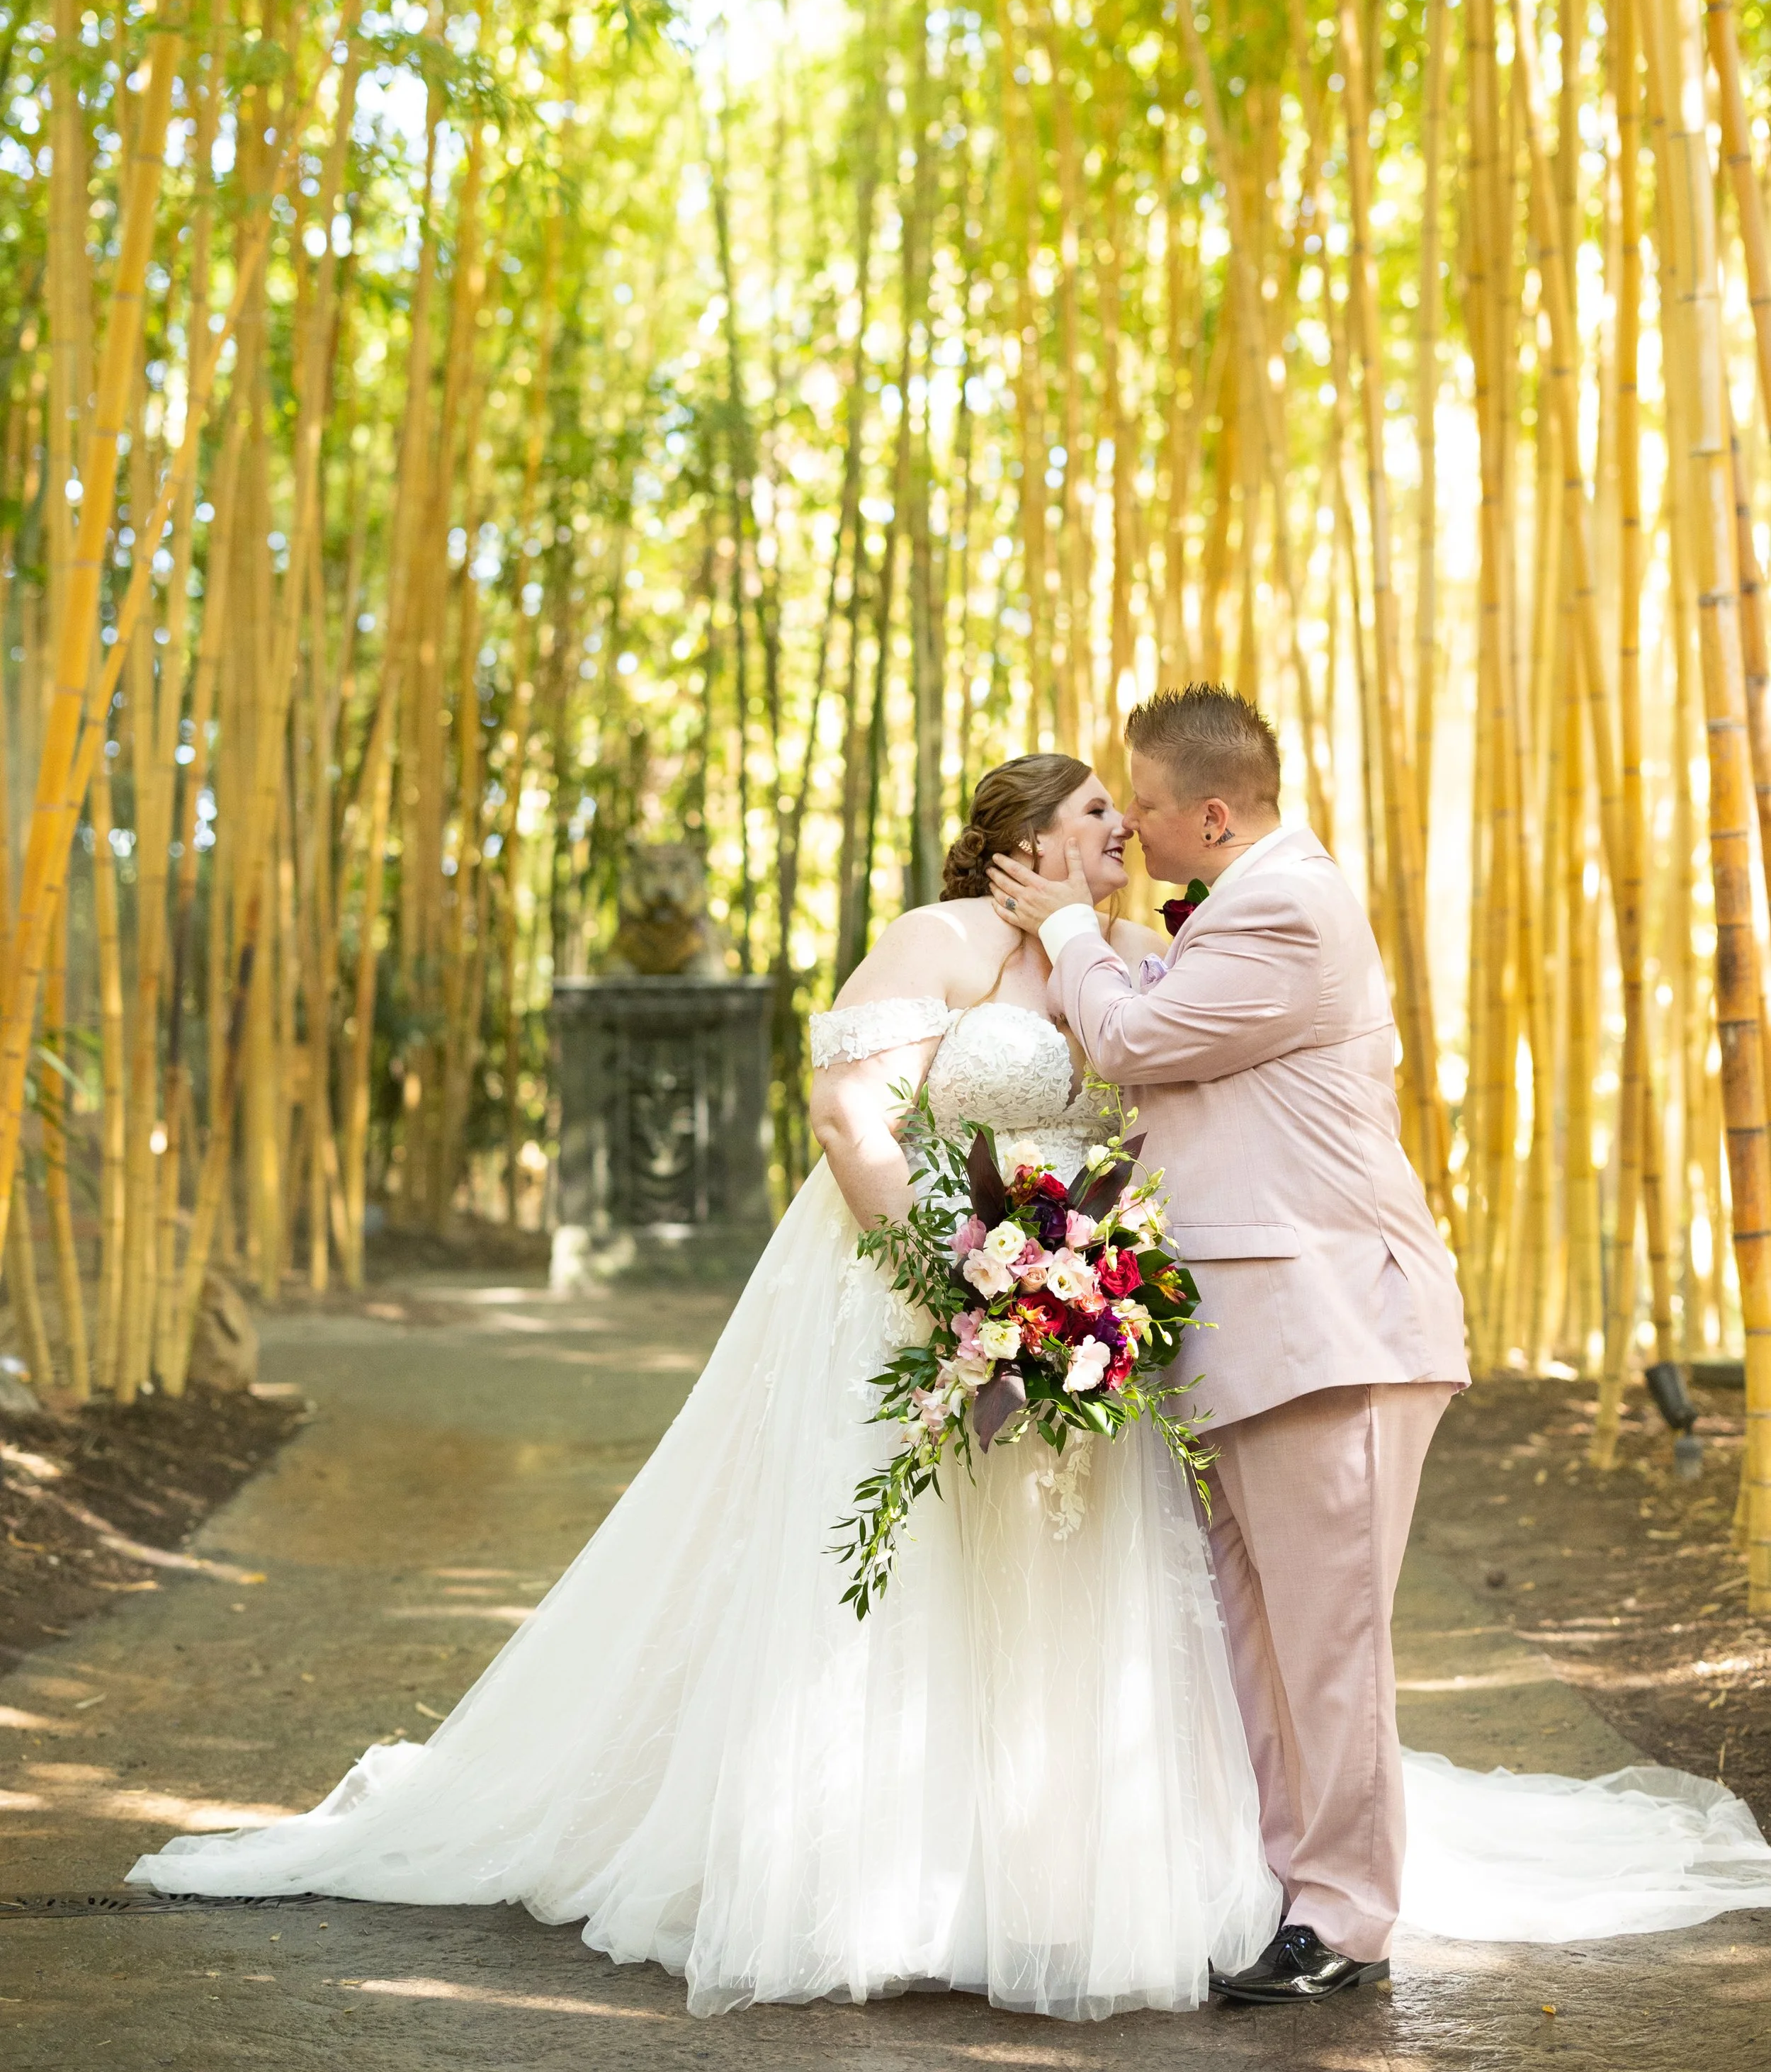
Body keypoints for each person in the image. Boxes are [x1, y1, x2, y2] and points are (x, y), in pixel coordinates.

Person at [131, 732, 1771, 2005]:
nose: (1119, 844)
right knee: (908, 1580)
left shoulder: (1106, 961)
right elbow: (849, 1115)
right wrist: (948, 1274)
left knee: (1088, 1599)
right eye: (1091, 825)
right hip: (926, 1300)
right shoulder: (930, 938)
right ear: (1013, 843)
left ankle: (1086, 1863)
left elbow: (1145, 1104)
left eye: (1130, 825)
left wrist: (1067, 1283)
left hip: (1070, 1324)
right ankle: (892, 1867)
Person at [988, 686, 1467, 2002]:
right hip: (1253, 1332)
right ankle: (1285, 1889)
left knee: (1328, 1641)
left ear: (1211, 811)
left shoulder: (1287, 904)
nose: (1130, 826)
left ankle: (1350, 1917)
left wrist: (1079, 926)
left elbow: (1137, 1036)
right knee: (1254, 1633)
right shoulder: (1228, 912)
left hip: (1333, 1325)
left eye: (1141, 802)